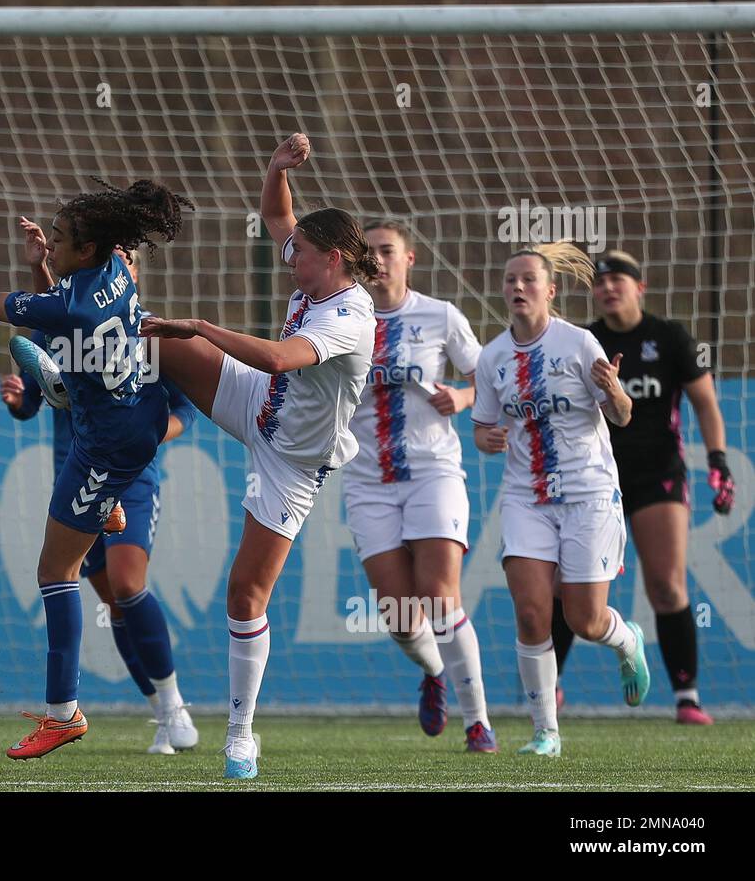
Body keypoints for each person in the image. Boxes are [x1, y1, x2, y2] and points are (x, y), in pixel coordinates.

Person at [139, 137, 377, 779]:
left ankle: (241, 734)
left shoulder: (352, 316)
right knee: (145, 335)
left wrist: (203, 327)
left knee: (245, 594)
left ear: (331, 260)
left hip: (294, 461)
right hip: (259, 399)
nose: (287, 252)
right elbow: (278, 218)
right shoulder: (318, 269)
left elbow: (277, 357)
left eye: (299, 251)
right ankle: (69, 389)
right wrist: (275, 169)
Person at [0, 179, 190, 759]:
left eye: (61, 238)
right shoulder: (115, 268)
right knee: (86, 566)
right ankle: (103, 492)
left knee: (54, 572)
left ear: (87, 249)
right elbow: (65, 310)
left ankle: (62, 714)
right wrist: (44, 264)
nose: (53, 242)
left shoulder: (69, 301)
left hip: (104, 447)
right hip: (133, 419)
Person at [471, 242, 648, 757]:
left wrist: (615, 390)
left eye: (529, 280)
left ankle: (625, 640)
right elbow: (483, 430)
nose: (518, 287)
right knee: (531, 614)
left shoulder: (579, 343)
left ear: (550, 291)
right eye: (510, 280)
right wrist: (488, 439)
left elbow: (621, 415)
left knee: (584, 621)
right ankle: (545, 731)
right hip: (526, 496)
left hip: (588, 494)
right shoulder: (493, 357)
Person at [550, 250, 734, 725]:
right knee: (565, 586)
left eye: (619, 280)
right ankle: (549, 687)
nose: (608, 288)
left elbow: (706, 405)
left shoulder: (669, 337)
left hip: (659, 475)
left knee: (666, 585)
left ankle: (686, 697)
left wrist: (718, 461)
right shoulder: (587, 341)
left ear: (640, 287)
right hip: (594, 476)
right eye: (600, 282)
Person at [339, 211, 495, 753]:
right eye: (370, 251)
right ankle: (434, 673)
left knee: (440, 595)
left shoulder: (441, 316)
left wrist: (465, 398)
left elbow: (486, 379)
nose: (378, 259)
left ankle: (479, 723)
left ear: (409, 259)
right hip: (367, 478)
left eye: (388, 250)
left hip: (433, 471)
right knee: (401, 615)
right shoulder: (343, 319)